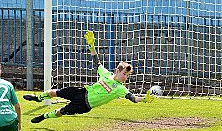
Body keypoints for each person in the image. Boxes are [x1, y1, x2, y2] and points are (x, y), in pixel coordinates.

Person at [23, 31, 155, 123]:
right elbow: (96, 61)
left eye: (127, 75)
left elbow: (133, 98)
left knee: (61, 112)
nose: (125, 77)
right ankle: (38, 98)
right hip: (82, 92)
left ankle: (43, 117)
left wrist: (144, 99)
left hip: (85, 105)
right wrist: (92, 45)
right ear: (117, 71)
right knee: (54, 92)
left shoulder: (121, 89)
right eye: (124, 74)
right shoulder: (106, 74)